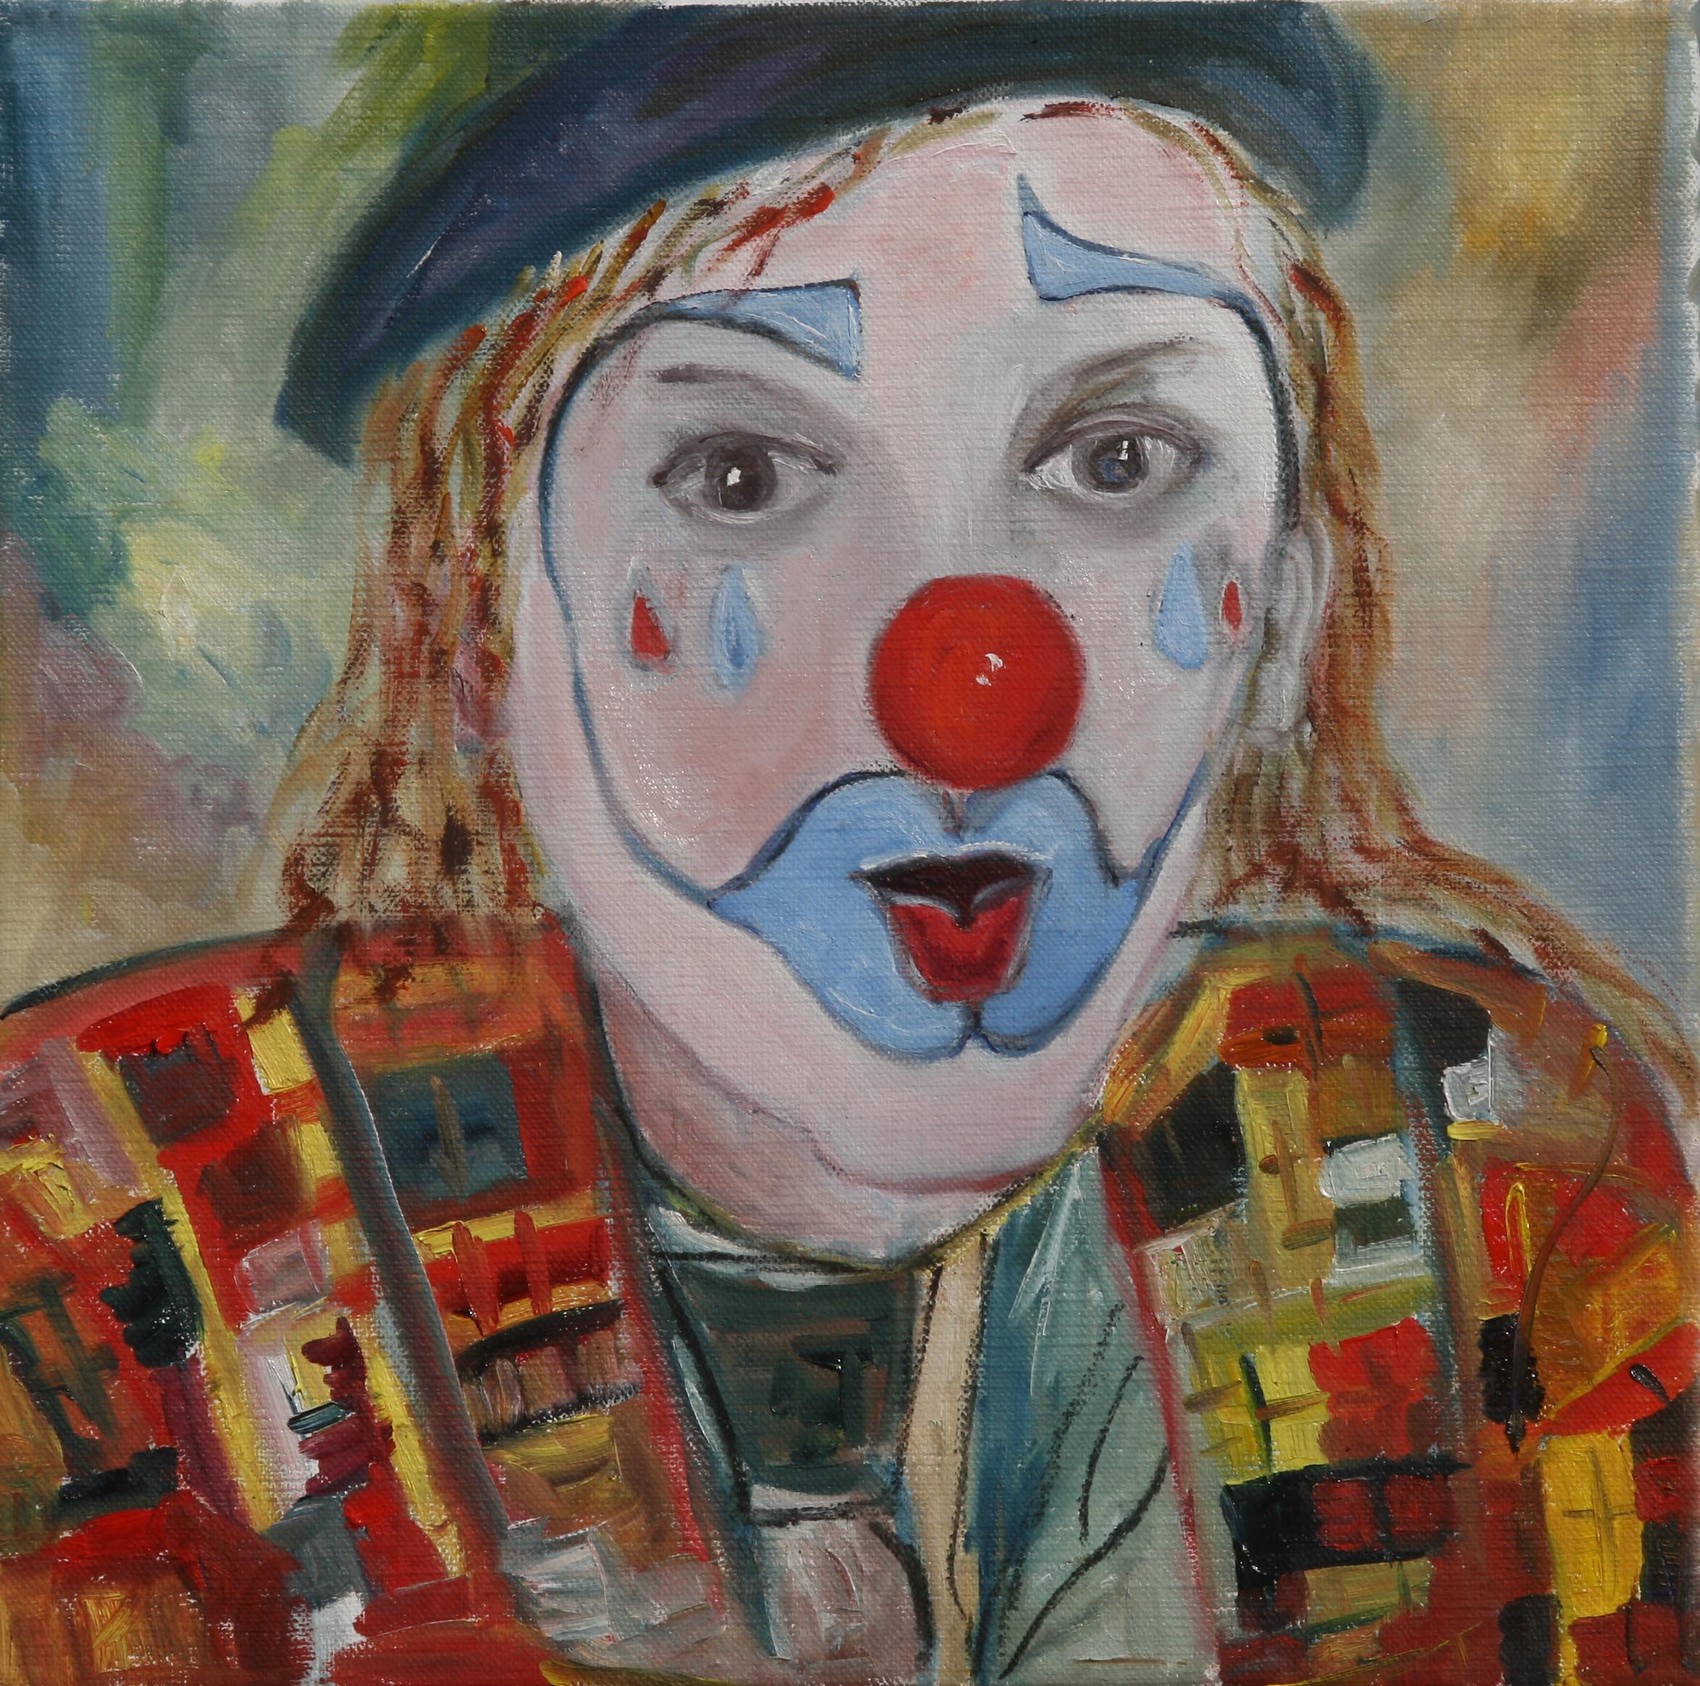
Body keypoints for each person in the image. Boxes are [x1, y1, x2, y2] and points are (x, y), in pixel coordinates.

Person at [0, 8, 1692, 1685]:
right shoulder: (94, 1246)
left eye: (1121, 459)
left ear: (1288, 591)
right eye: (739, 474)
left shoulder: (1508, 1180)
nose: (972, 697)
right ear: (474, 623)